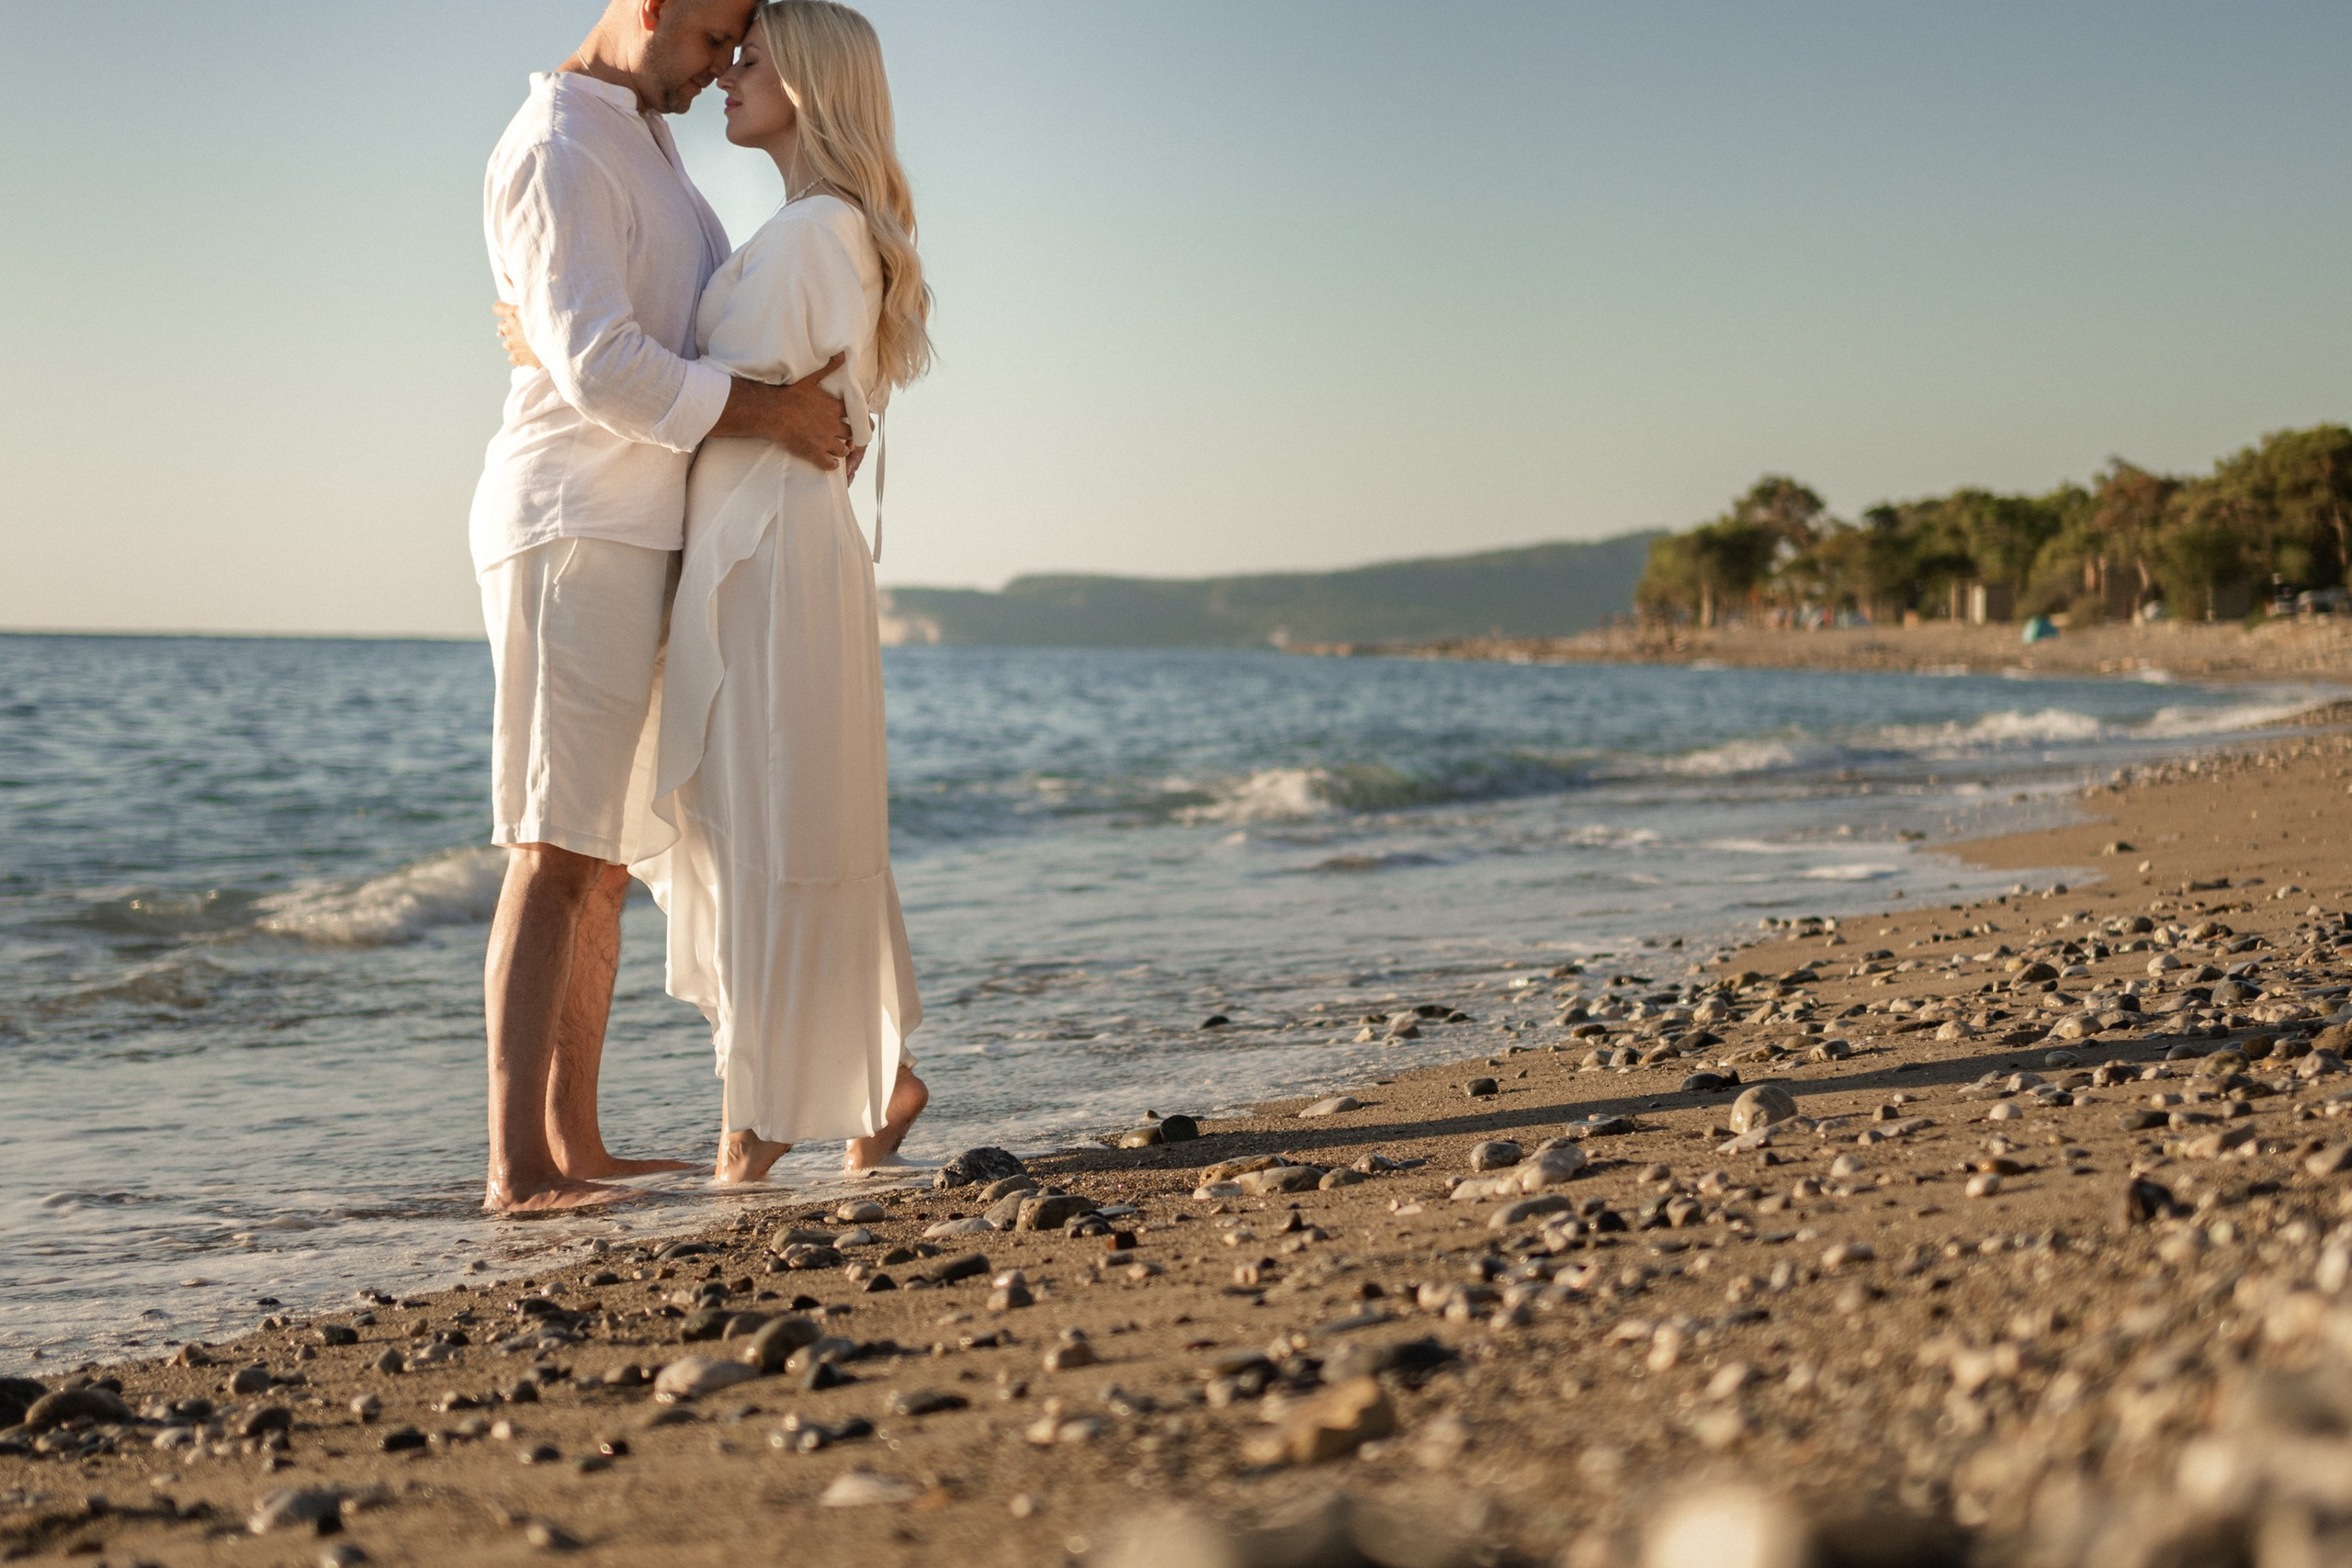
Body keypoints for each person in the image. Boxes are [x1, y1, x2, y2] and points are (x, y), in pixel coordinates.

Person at [469, 0, 858, 1214]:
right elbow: (598, 365)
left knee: (598, 855)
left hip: (642, 526)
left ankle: (575, 1144)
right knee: (551, 843)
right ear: (656, 8)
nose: (720, 68)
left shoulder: (642, 139)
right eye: (714, 38)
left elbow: (645, 330)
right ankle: (515, 1167)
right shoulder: (559, 144)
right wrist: (774, 412)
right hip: (572, 522)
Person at [627, 0, 931, 1185]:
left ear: (811, 80)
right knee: (777, 808)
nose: (730, 74)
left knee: (767, 813)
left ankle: (758, 1116)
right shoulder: (815, 227)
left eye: (752, 58)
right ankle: (872, 1076)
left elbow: (706, 389)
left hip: (772, 552)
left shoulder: (815, 235)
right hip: (771, 542)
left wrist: (549, 353)